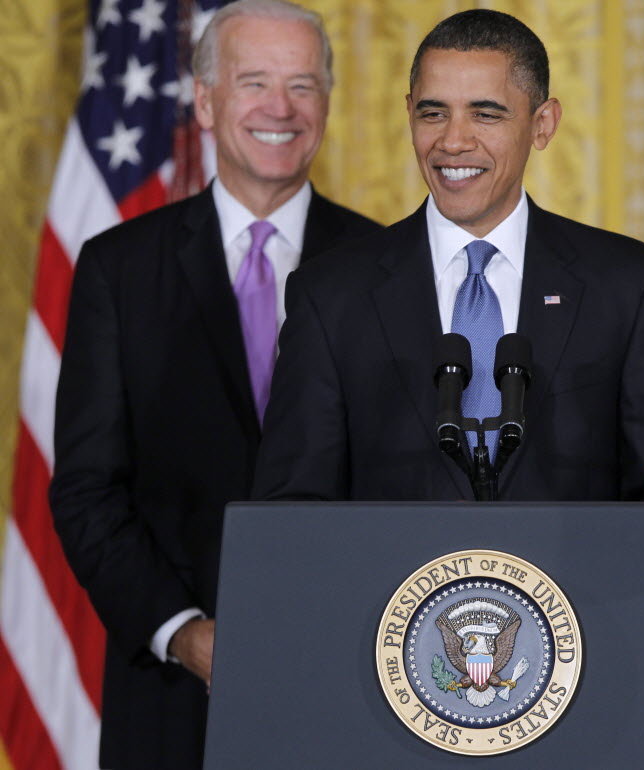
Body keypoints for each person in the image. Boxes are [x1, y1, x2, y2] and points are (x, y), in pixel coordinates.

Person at [48, 1, 380, 767]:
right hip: (170, 700)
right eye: (254, 81)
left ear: (327, 104)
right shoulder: (118, 269)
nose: (280, 109)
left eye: (303, 85)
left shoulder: (386, 268)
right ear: (203, 100)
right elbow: (87, 490)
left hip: (352, 683)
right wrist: (185, 632)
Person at [252, 9, 644, 504]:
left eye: (486, 114)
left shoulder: (625, 285)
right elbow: (290, 513)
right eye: (433, 113)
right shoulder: (330, 295)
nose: (453, 141)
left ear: (543, 124)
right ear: (408, 112)